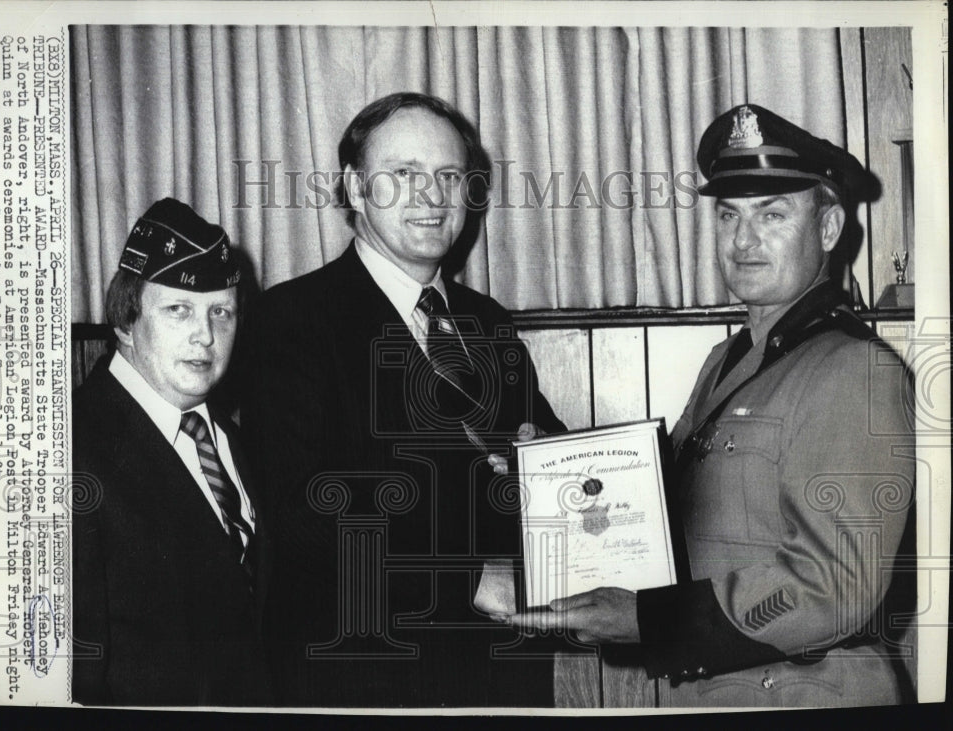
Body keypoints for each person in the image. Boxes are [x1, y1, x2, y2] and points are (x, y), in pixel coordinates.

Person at [508, 104, 916, 707]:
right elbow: (681, 517)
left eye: (772, 215)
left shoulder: (855, 368)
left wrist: (653, 620)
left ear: (828, 231)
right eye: (729, 215)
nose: (744, 240)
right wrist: (556, 478)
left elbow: (837, 587)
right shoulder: (728, 360)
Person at [240, 92, 565, 707]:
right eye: (404, 175)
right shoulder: (291, 319)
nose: (431, 196)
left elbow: (541, 450)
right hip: (359, 674)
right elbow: (306, 509)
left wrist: (547, 457)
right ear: (356, 188)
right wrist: (466, 579)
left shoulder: (487, 322)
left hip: (497, 673)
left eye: (449, 176)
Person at [72, 198, 272, 706]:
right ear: (125, 320)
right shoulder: (71, 447)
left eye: (221, 312)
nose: (205, 335)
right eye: (179, 309)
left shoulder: (228, 437)